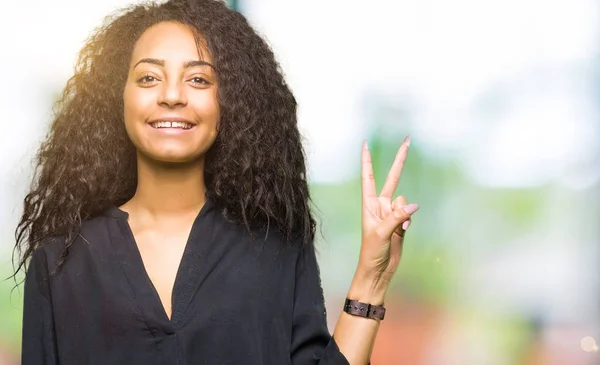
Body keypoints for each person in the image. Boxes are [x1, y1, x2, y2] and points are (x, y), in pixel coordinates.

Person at [14, 0, 419, 364]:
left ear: (230, 104)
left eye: (199, 80)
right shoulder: (59, 261)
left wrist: (371, 277)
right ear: (116, 99)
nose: (172, 95)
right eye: (149, 78)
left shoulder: (276, 247)